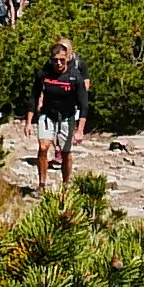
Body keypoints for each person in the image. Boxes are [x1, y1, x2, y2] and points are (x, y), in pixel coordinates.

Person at [29, 35, 91, 190]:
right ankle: (42, 184)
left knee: (65, 152)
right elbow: (33, 96)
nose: (58, 63)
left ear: (67, 59)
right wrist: (28, 121)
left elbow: (84, 104)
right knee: (43, 147)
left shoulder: (75, 77)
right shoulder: (43, 74)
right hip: (47, 115)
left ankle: (65, 184)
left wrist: (80, 130)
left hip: (67, 116)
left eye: (61, 60)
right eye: (55, 60)